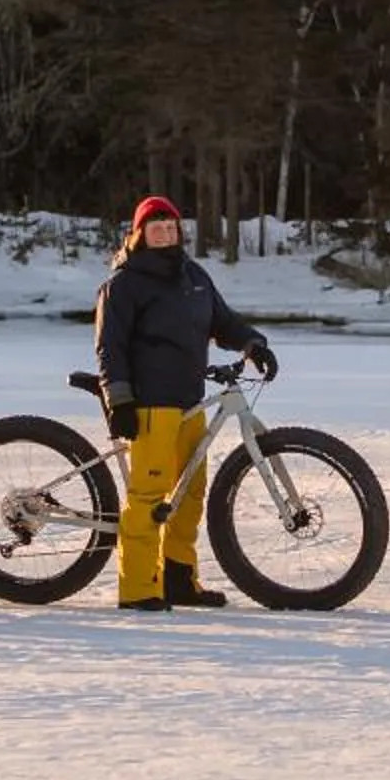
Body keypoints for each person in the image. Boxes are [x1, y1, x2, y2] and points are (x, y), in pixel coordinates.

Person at [95, 195, 278, 612]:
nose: (165, 232)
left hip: (188, 403)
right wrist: (119, 399)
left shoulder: (193, 276)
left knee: (189, 495)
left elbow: (223, 322)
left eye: (171, 227)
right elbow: (110, 347)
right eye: (156, 227)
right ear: (139, 234)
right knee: (149, 496)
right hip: (149, 404)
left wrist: (253, 344)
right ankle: (139, 587)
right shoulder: (124, 284)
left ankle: (179, 579)